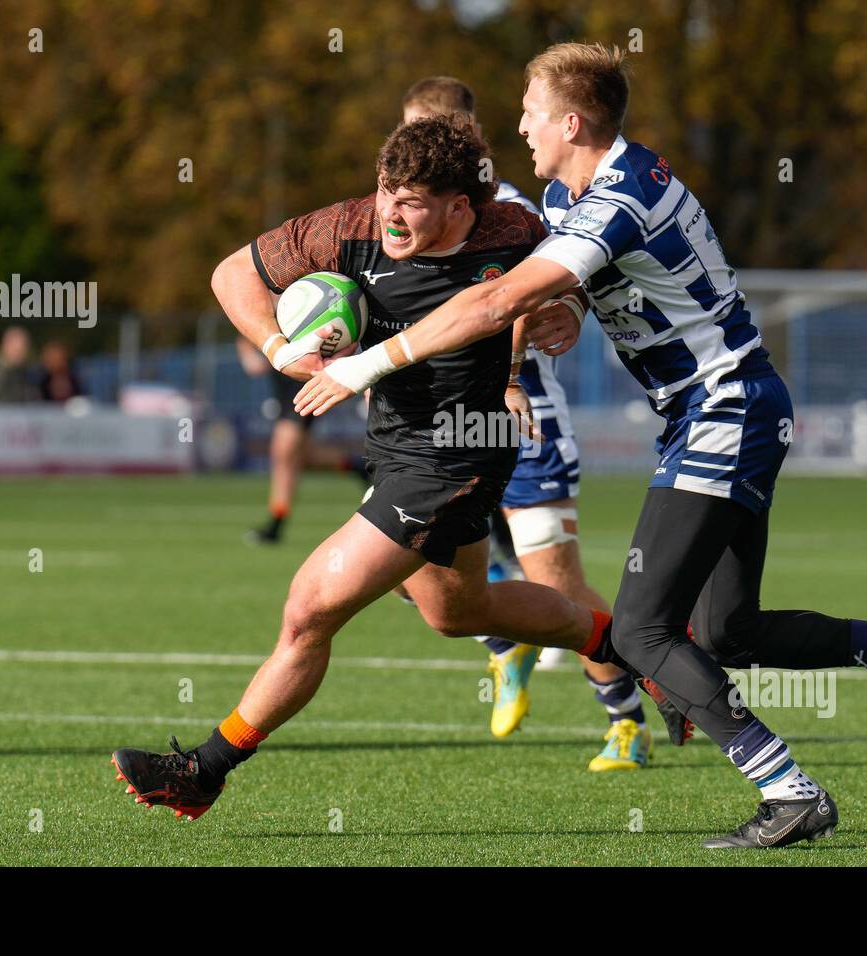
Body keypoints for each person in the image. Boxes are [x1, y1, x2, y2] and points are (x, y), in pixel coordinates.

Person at [292, 42, 867, 850]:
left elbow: (495, 302)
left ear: (570, 120)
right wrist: (569, 316)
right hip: (717, 411)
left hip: (724, 408)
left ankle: (789, 789)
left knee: (640, 631)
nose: (517, 125)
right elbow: (577, 292)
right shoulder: (572, 193)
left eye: (528, 110)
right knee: (728, 634)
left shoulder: (617, 198)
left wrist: (367, 364)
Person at [110, 115, 612, 822]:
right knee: (458, 610)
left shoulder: (512, 234)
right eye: (385, 190)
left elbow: (581, 274)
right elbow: (232, 275)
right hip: (395, 445)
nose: (389, 212)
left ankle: (204, 770)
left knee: (310, 607)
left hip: (459, 453)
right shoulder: (344, 227)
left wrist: (569, 307)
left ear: (458, 207)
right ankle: (627, 643)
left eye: (410, 200)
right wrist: (282, 350)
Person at [401, 75, 648, 770]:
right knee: (395, 562)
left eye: (434, 136)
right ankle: (505, 642)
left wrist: (508, 380)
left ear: (467, 138)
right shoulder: (404, 211)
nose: (418, 151)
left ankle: (627, 720)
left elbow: (509, 302)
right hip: (437, 426)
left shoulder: (509, 209)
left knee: (557, 587)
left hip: (520, 420)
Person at [235, 336, 366, 544]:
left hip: (303, 382)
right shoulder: (272, 307)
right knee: (303, 458)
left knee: (283, 452)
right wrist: (246, 349)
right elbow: (247, 321)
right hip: (283, 383)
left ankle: (276, 524)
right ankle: (358, 466)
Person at [0, 326, 36, 403]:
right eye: (17, 350)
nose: (21, 354)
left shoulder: (30, 370)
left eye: (23, 349)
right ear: (6, 346)